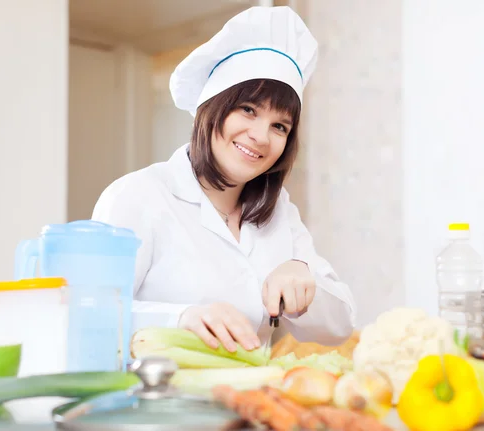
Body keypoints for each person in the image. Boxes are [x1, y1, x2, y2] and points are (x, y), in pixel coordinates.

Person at [92, 6, 356, 353]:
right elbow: (91, 317)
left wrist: (304, 278)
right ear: (212, 107)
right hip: (156, 400)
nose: (261, 136)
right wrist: (180, 319)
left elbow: (340, 326)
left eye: (280, 126)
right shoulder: (137, 195)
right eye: (248, 109)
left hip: (248, 400)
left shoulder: (278, 211)